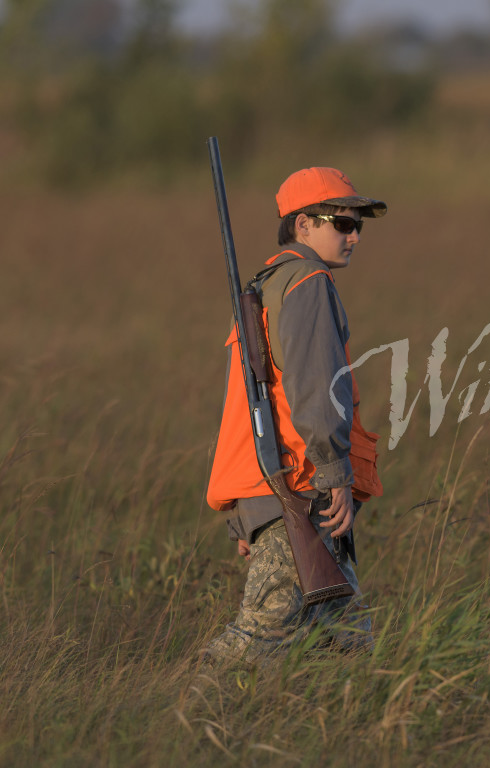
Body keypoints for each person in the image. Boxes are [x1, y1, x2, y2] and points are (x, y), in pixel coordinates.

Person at [201, 166, 386, 666]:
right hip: (304, 492)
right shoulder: (308, 282)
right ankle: (182, 705)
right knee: (252, 650)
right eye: (341, 224)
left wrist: (247, 516)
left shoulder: (266, 287)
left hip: (278, 490)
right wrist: (336, 474)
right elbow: (316, 387)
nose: (354, 236)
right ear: (303, 224)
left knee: (346, 648)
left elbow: (256, 407)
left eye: (357, 226)